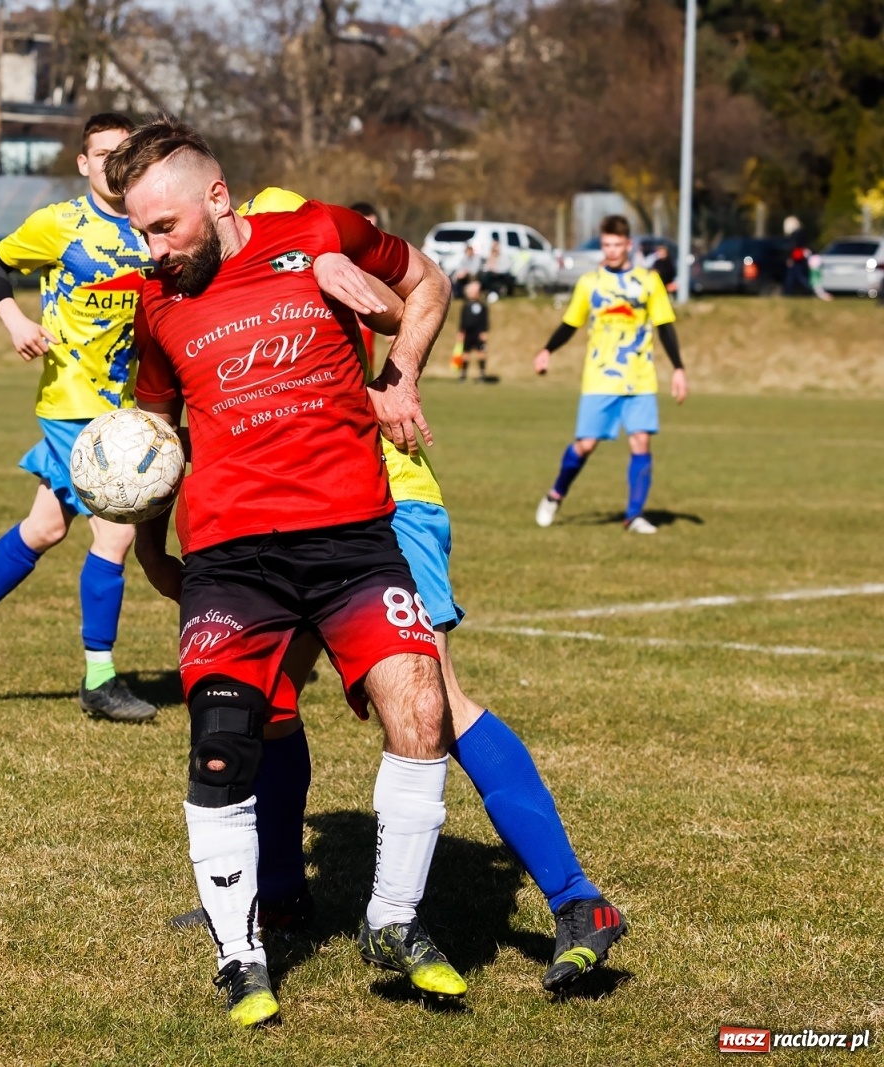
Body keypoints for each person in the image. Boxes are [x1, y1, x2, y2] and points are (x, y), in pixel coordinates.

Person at [166, 187, 628, 997]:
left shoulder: (291, 217)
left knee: (434, 700)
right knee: (266, 702)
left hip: (382, 502)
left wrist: (396, 361)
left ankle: (574, 897)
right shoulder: (178, 261)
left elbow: (409, 287)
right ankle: (274, 897)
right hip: (276, 523)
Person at [107, 118, 463, 1026]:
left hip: (352, 537)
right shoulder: (153, 304)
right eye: (137, 230)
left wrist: (402, 372)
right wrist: (152, 546)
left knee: (420, 711)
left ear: (217, 197)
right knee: (224, 738)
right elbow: (153, 437)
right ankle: (241, 955)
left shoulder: (319, 234)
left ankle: (392, 919)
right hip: (232, 555)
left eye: (161, 227)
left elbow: (428, 280)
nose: (150, 250)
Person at [0, 112, 162, 723]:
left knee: (45, 528)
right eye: (102, 153)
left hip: (125, 407)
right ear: (83, 163)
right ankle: (100, 679)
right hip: (71, 403)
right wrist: (14, 321)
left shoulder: (151, 226)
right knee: (115, 533)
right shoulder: (61, 224)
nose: (113, 162)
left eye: (124, 152)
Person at [533, 214, 687, 534]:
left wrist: (678, 369)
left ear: (628, 245)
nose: (612, 250)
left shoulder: (649, 281)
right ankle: (555, 494)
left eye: (617, 244)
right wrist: (547, 350)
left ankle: (634, 515)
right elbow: (570, 323)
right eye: (606, 245)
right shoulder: (590, 283)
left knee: (641, 441)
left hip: (640, 376)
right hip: (601, 377)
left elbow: (665, 326)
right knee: (585, 445)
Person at [456, 278, 489, 381]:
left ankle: (482, 374)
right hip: (468, 333)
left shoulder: (482, 306)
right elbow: (462, 320)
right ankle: (463, 374)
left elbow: (485, 320)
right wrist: (461, 331)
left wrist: (484, 331)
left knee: (481, 353)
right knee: (466, 353)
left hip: (478, 332)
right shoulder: (466, 305)